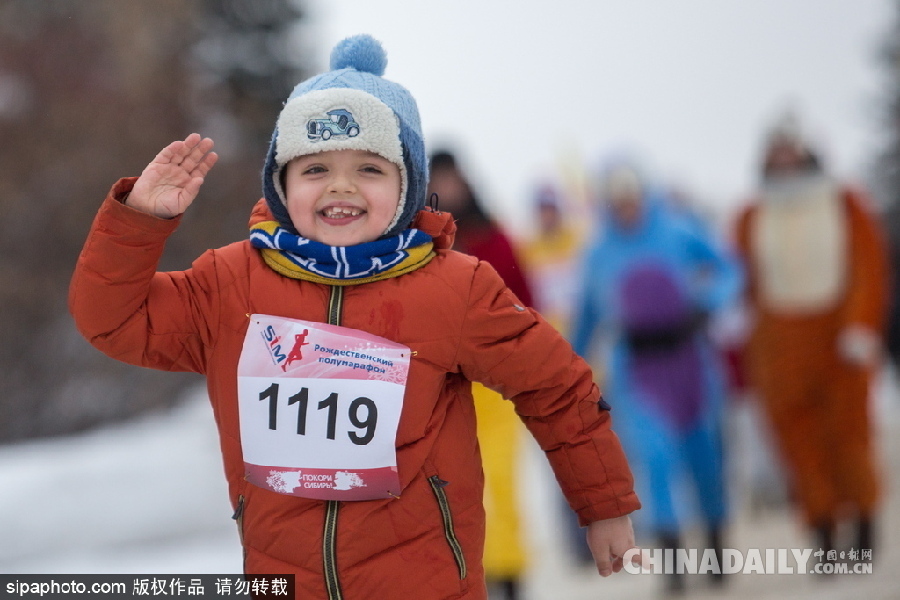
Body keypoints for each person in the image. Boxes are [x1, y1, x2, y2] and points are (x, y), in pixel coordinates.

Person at [68, 35, 640, 599]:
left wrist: (604, 505)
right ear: (281, 183)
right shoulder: (228, 285)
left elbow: (556, 385)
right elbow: (113, 320)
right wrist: (138, 219)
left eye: (369, 168)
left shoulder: (455, 288)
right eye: (315, 168)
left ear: (407, 185)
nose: (340, 186)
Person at [570, 160, 742, 593]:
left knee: (705, 461)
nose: (626, 208)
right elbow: (587, 319)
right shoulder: (598, 253)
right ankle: (673, 566)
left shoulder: (677, 230)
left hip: (690, 365)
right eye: (617, 201)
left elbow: (729, 268)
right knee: (657, 461)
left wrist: (709, 302)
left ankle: (717, 551)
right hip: (639, 372)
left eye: (631, 198)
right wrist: (568, 371)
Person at [733, 114, 889, 559]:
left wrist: (861, 324)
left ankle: (863, 523)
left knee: (849, 438)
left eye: (791, 152)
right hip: (782, 342)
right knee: (800, 445)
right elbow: (741, 280)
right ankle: (823, 533)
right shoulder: (751, 215)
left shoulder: (844, 202)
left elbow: (869, 267)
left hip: (838, 337)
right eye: (776, 154)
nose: (785, 161)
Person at [427, 149, 533, 600]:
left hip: (494, 384)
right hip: (441, 387)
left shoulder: (494, 239)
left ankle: (511, 580)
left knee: (500, 483)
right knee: (451, 491)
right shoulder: (419, 244)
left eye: (452, 179)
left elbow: (526, 305)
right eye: (438, 180)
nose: (447, 188)